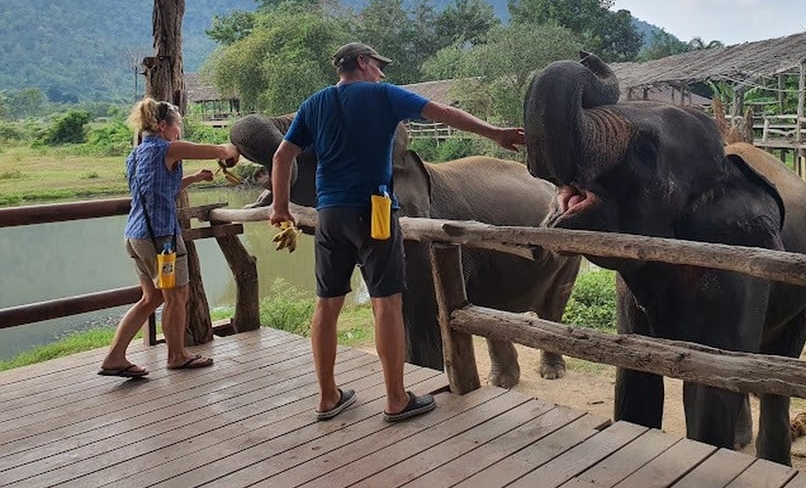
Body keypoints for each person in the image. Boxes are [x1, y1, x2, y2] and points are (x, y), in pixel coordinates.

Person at [270, 42, 524, 422]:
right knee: (386, 302)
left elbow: (281, 156)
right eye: (377, 65)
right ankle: (395, 398)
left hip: (329, 214)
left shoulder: (314, 103)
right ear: (361, 63)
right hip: (373, 210)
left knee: (326, 304)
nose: (383, 73)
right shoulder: (383, 96)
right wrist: (496, 134)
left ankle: (327, 397)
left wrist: (279, 207)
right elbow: (443, 113)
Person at [99, 98, 240, 378]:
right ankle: (176, 356)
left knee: (151, 299)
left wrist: (196, 178)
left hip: (136, 236)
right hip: (161, 240)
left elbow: (161, 187)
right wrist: (234, 147)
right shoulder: (170, 147)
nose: (179, 132)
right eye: (178, 126)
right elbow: (219, 150)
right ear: (163, 126)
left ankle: (114, 357)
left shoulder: (137, 154)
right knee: (177, 296)